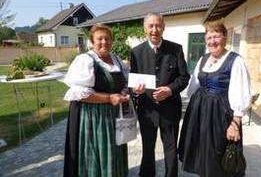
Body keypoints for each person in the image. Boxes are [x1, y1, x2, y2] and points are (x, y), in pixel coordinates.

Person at [178, 21, 251, 177]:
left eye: (216, 36)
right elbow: (193, 86)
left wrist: (235, 123)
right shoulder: (203, 59)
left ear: (225, 37)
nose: (212, 41)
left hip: (220, 114)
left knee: (217, 153)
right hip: (200, 113)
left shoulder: (235, 61)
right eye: (209, 37)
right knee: (201, 152)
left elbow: (241, 92)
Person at [63, 24, 129, 177]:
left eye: (107, 38)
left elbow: (124, 84)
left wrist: (126, 91)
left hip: (115, 116)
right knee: (100, 152)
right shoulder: (85, 60)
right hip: (95, 117)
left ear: (112, 41)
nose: (104, 42)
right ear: (92, 41)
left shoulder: (117, 60)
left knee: (115, 151)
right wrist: (109, 98)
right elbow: (80, 93)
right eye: (100, 39)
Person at [130, 12, 190, 177]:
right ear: (145, 29)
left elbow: (184, 77)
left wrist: (170, 90)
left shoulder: (176, 49)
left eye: (158, 26)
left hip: (170, 109)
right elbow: (132, 82)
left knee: (170, 149)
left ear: (163, 27)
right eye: (151, 26)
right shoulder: (136, 52)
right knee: (147, 148)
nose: (154, 30)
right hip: (147, 111)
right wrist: (135, 90)